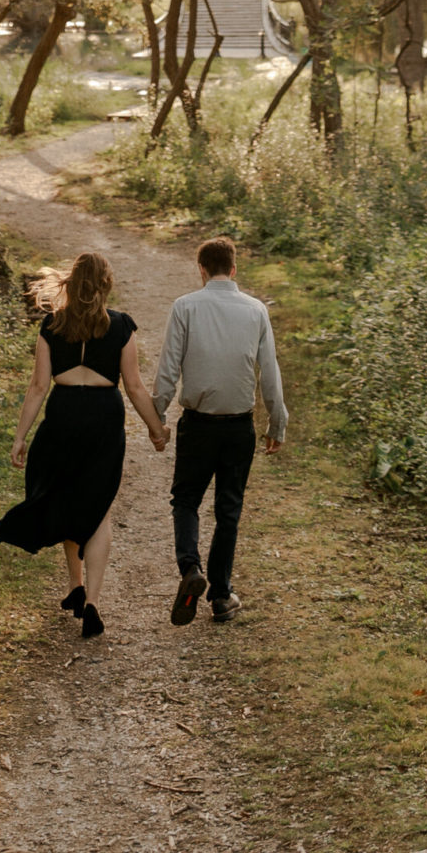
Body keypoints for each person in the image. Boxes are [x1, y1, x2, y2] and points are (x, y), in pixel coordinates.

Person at [0, 248, 167, 641]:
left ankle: (75, 585)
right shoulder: (122, 326)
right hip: (104, 419)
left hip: (63, 416)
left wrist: (21, 436)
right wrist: (156, 429)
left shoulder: (52, 324)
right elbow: (136, 387)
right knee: (97, 508)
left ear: (71, 283)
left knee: (68, 498)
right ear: (106, 284)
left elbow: (38, 386)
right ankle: (92, 602)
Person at [151, 232, 287, 625]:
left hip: (198, 425)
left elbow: (168, 369)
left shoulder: (185, 307)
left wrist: (157, 418)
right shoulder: (256, 310)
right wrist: (277, 422)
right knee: (229, 510)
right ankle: (222, 596)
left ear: (201, 271)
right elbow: (270, 374)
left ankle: (191, 570)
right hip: (239, 427)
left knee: (186, 501)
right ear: (234, 268)